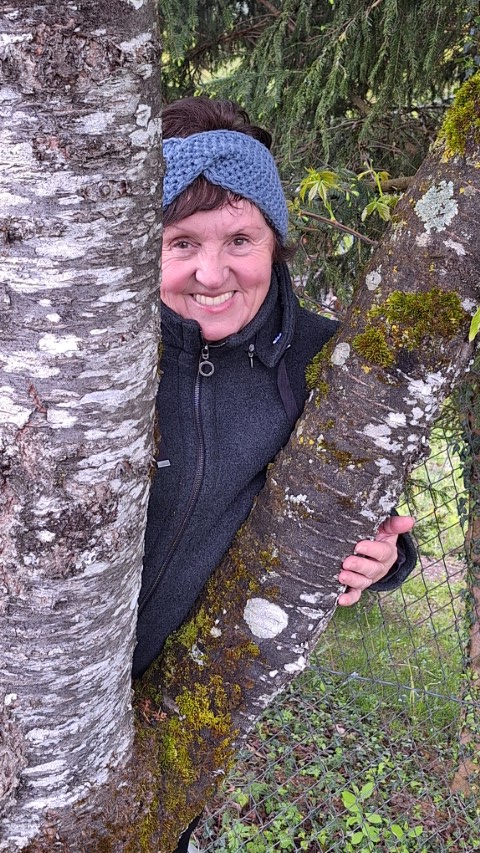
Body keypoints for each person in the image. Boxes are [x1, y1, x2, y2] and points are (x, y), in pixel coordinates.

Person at [132, 96, 416, 852]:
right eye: (180, 241)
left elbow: (369, 515)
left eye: (240, 239)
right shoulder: (91, 356)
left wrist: (384, 559)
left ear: (276, 240)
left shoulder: (323, 363)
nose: (211, 272)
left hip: (166, 721)